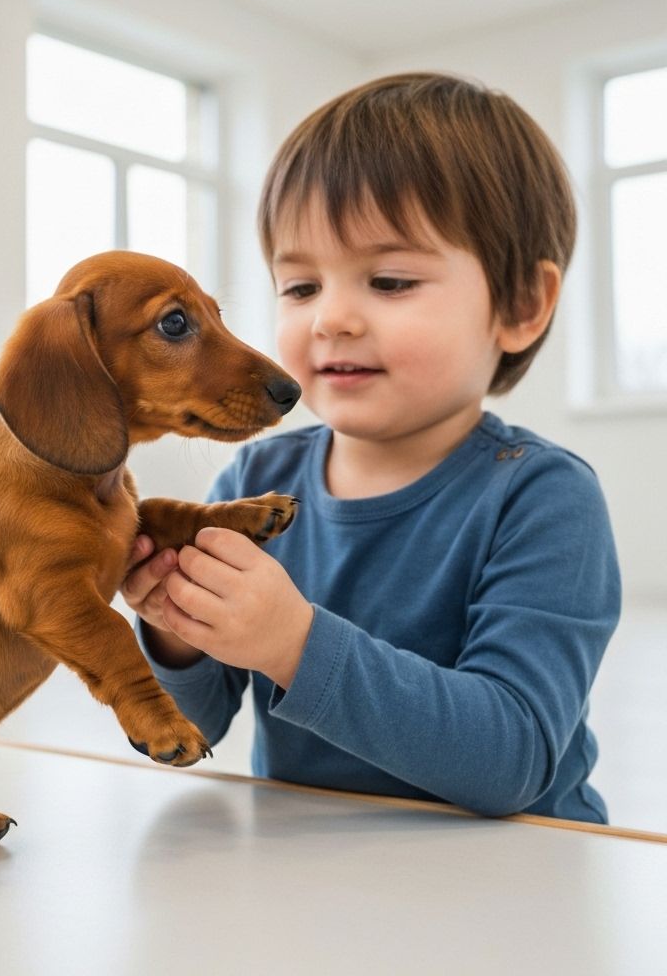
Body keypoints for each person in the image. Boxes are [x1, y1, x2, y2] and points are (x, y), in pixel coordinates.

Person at [122, 72, 620, 822]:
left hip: (520, 888)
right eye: (299, 287)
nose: (332, 319)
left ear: (521, 306)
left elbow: (512, 758)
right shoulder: (261, 475)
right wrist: (177, 630)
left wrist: (293, 642)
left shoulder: (542, 497)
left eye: (388, 280)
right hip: (330, 883)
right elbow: (197, 727)